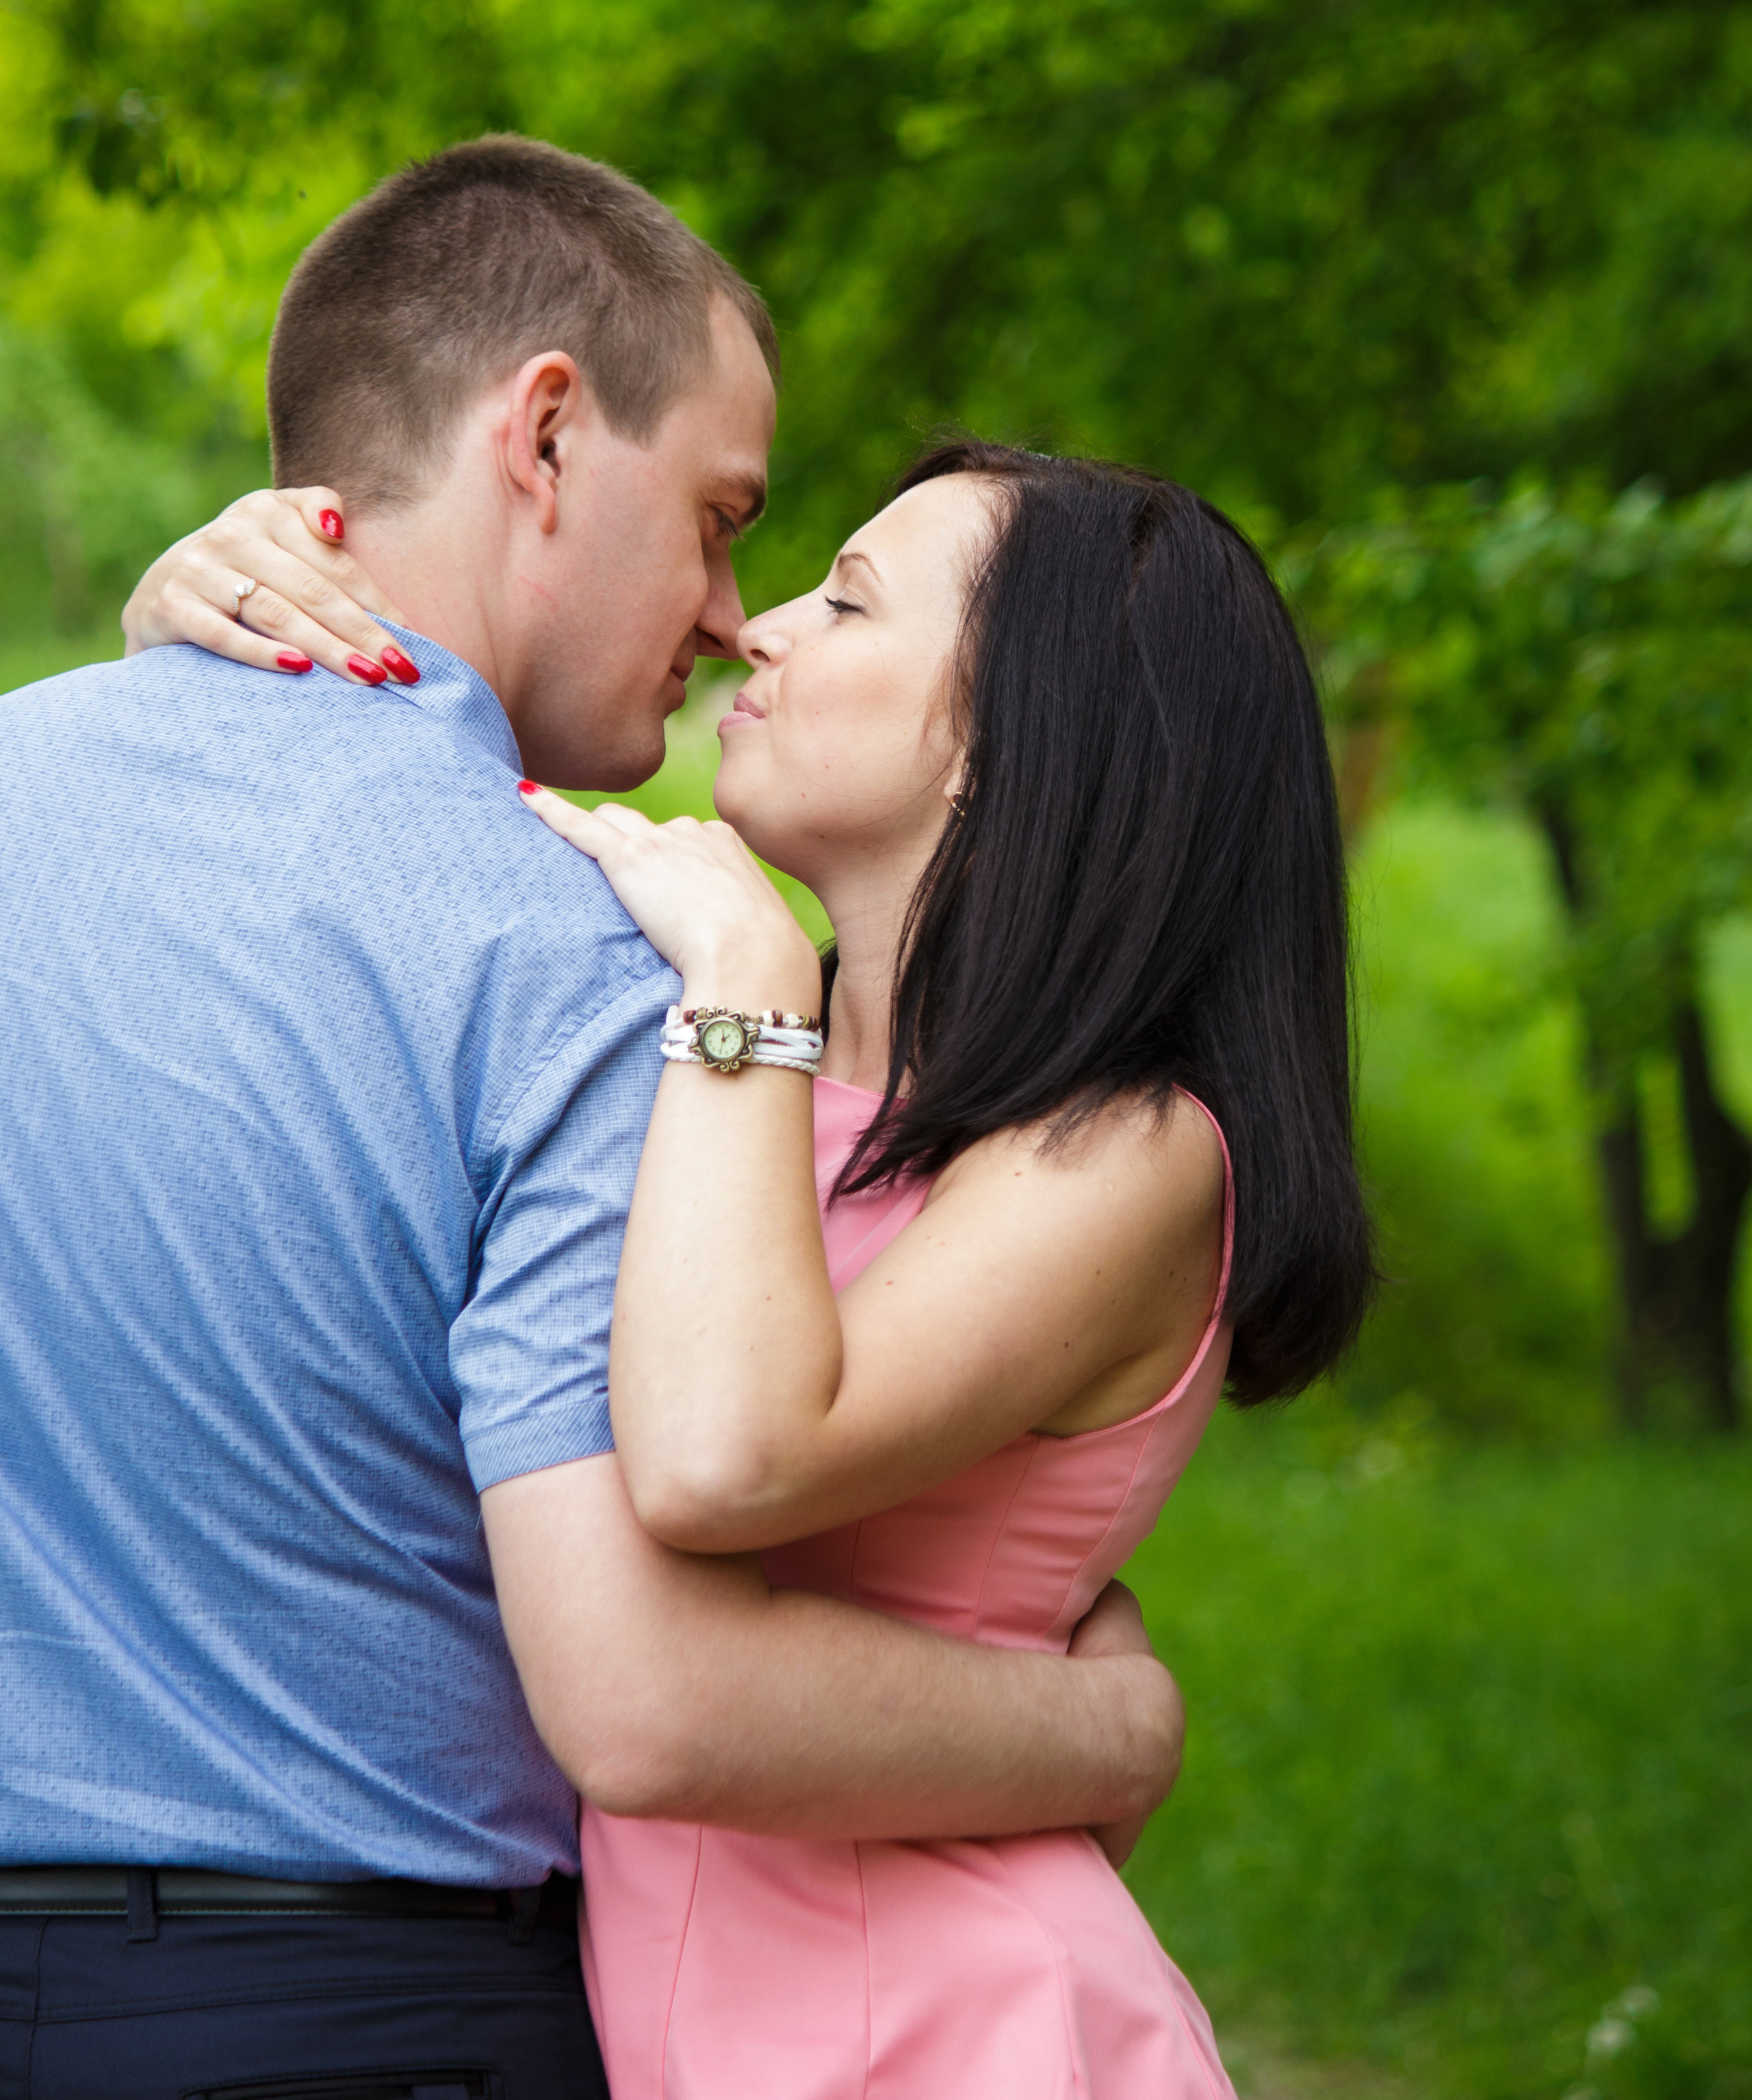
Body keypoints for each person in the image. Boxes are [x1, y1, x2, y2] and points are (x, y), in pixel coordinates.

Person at [0, 137, 1184, 2100]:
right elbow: (644, 1691)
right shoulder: (584, 960)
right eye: (724, 519)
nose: (736, 617)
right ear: (544, 436)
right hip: (373, 2018)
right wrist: (1110, 1735)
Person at [142, 420, 1377, 2093]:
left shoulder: (1126, 1150)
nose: (759, 626)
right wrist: (204, 617)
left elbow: (728, 1456)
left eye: (850, 604)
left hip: (960, 2030)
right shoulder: (690, 1041)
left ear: (1029, 736)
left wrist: (740, 976)